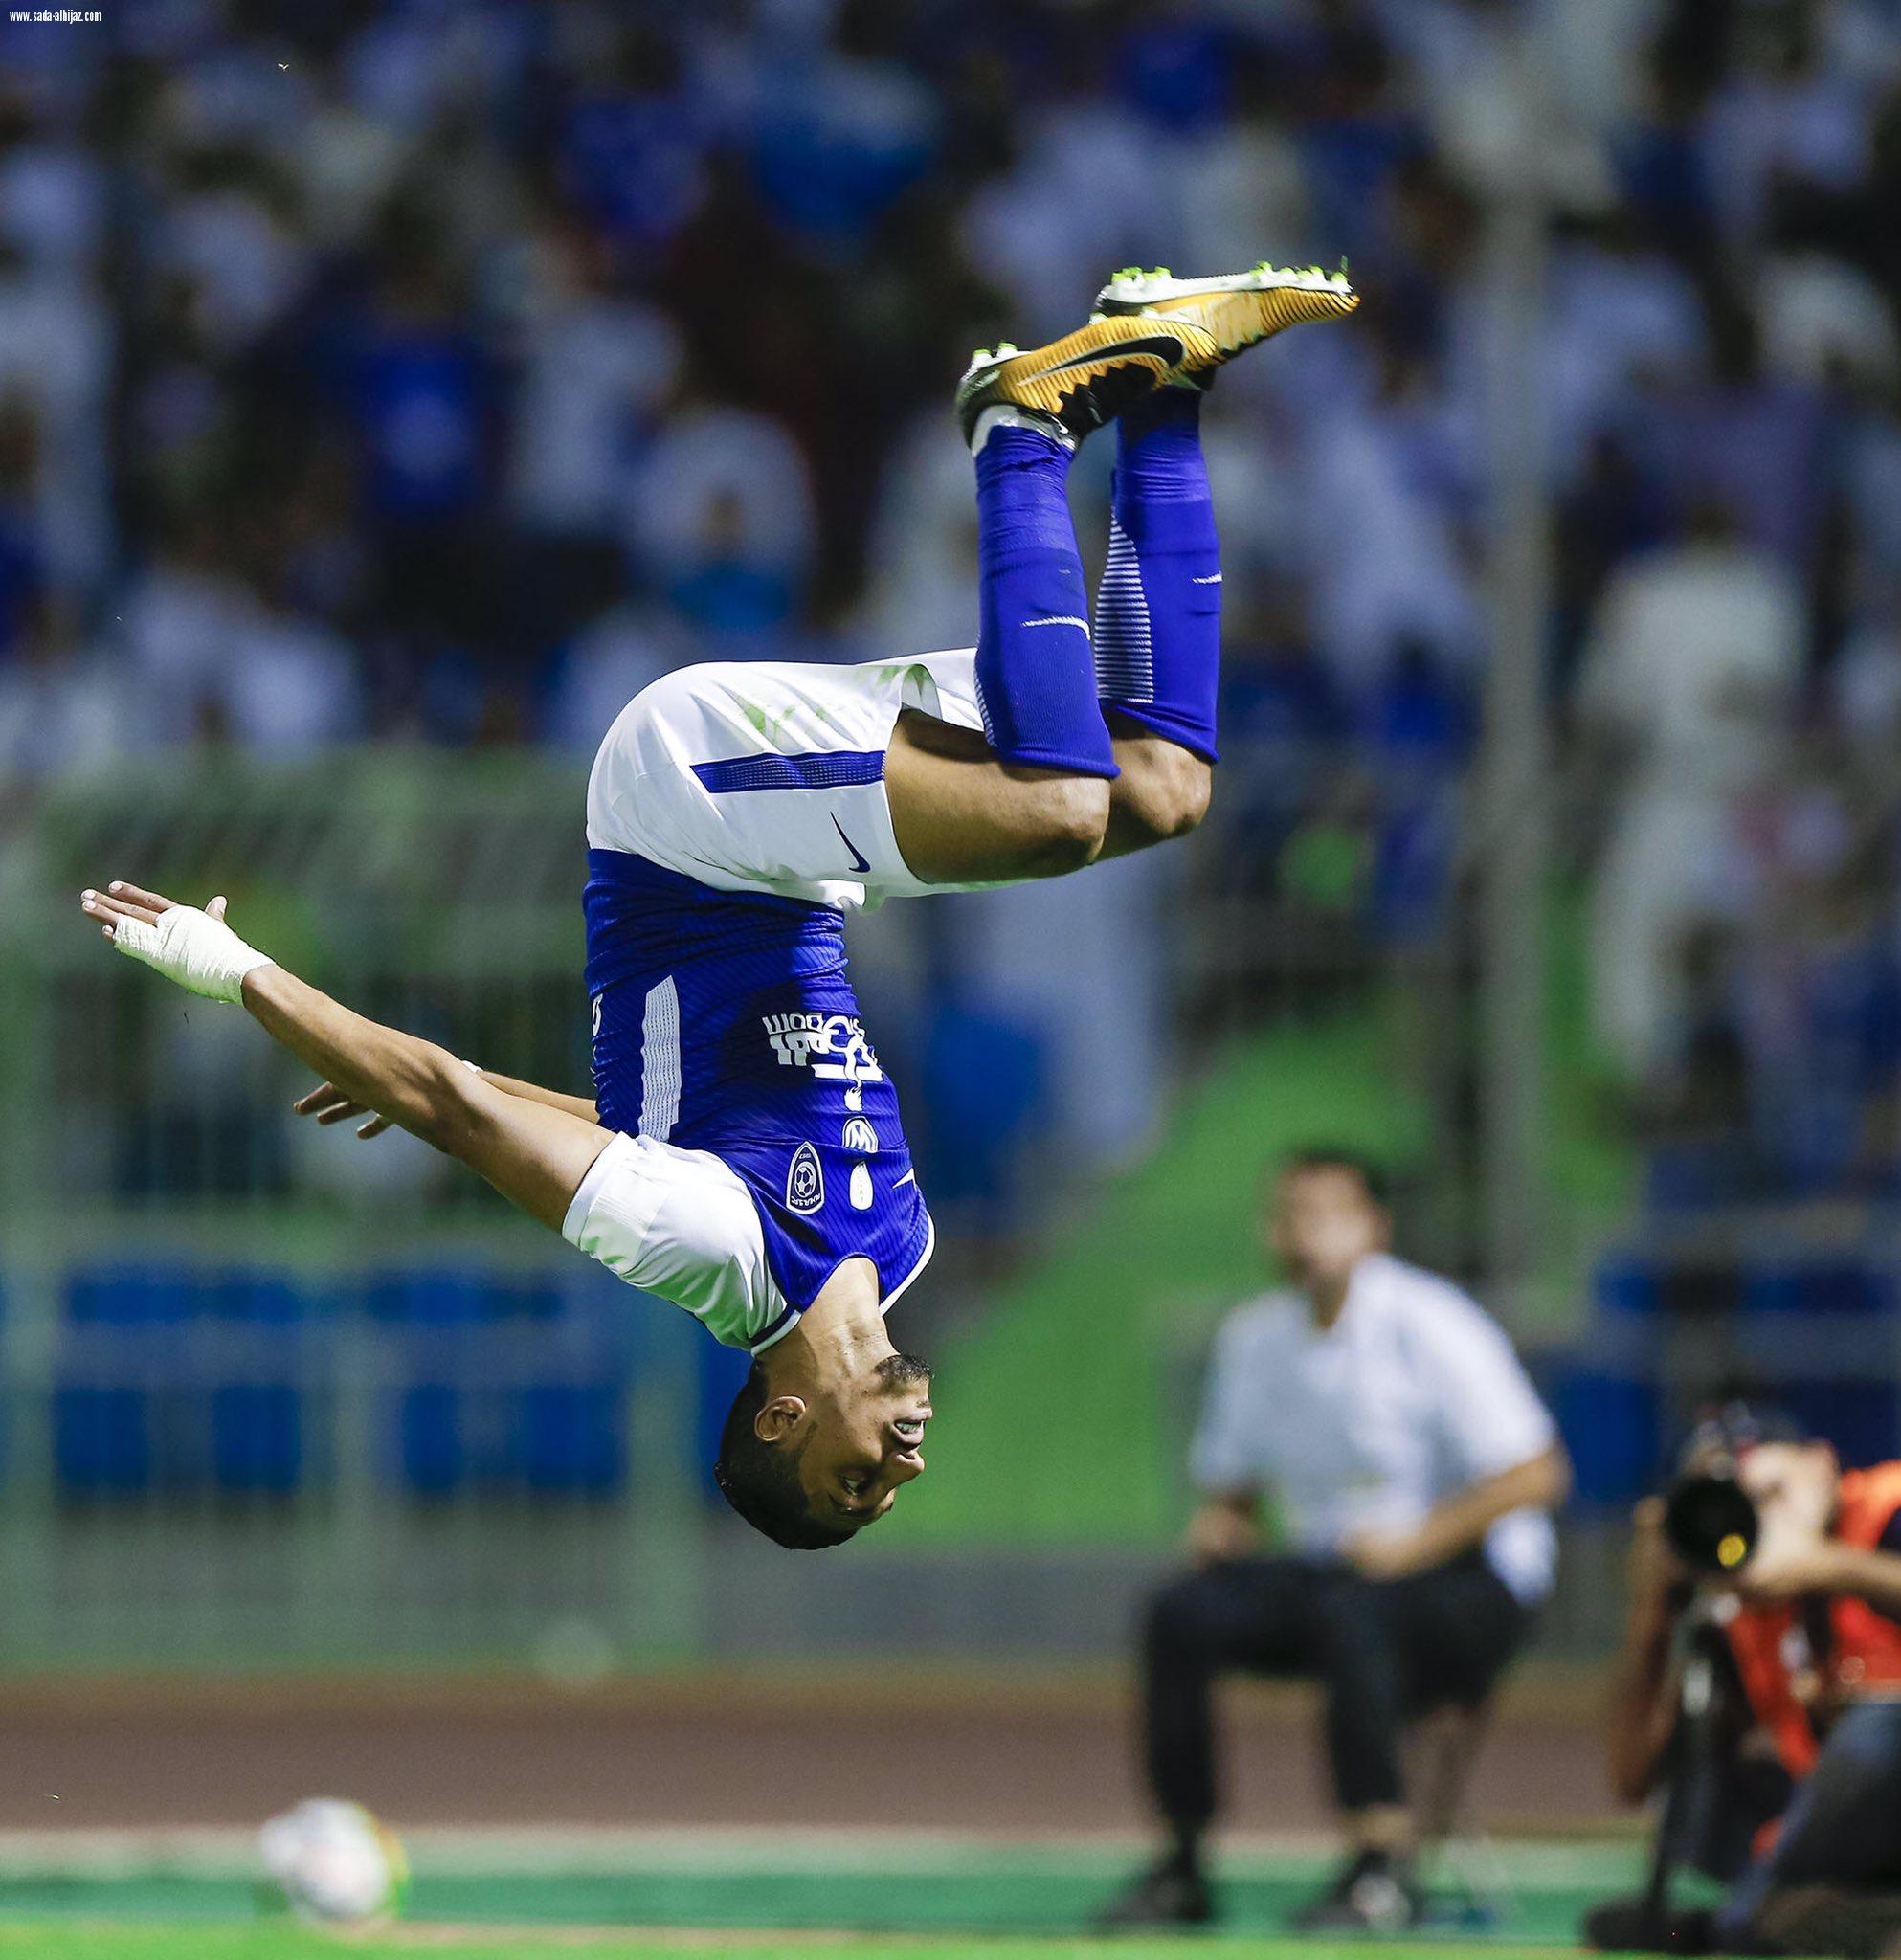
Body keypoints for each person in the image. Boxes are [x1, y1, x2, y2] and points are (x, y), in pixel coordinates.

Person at [76, 262, 1360, 1553]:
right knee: (1160, 785)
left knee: (1057, 813)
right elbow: (657, 1124)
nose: (896, 1474)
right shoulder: (900, 1245)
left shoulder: (709, 1260)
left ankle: (1019, 429)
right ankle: (1164, 370)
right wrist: (464, 1088)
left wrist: (237, 972)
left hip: (684, 806)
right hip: (787, 851)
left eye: (853, 1484)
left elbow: (468, 1116)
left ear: (779, 1424)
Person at [1102, 1150, 1569, 1930]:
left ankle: (1380, 1867)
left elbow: (1535, 1473)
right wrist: (1225, 1528)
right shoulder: (1255, 1336)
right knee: (1179, 1612)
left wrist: (1415, 1545)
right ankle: (1182, 1862)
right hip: (1337, 1571)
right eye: (1287, 1213)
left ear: (1373, 1227)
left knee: (1360, 1615)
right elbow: (1235, 1489)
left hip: (1474, 1580)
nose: (1301, 1231)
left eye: (1324, 1212)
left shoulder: (1432, 1321)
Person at [1587, 1409, 1901, 1958]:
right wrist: (1649, 1619)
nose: (1759, 1518)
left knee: (1874, 1737)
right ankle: (1782, 1918)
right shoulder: (1739, 1610)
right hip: (1852, 1840)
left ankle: (1752, 1919)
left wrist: (1828, 1566)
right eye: (1735, 1505)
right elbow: (1632, 1778)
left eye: (1770, 1491)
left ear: (1822, 1464)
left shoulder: (1885, 1509)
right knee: (1716, 1798)